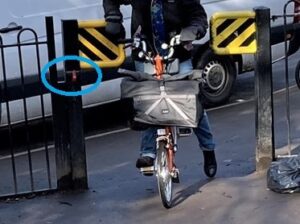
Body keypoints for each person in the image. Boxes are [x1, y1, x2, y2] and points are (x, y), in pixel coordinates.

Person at [103, 0, 217, 177]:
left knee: (192, 101)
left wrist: (194, 30)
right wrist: (113, 19)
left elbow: (198, 15)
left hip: (177, 53)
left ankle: (208, 149)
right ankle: (148, 153)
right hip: (145, 53)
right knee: (148, 99)